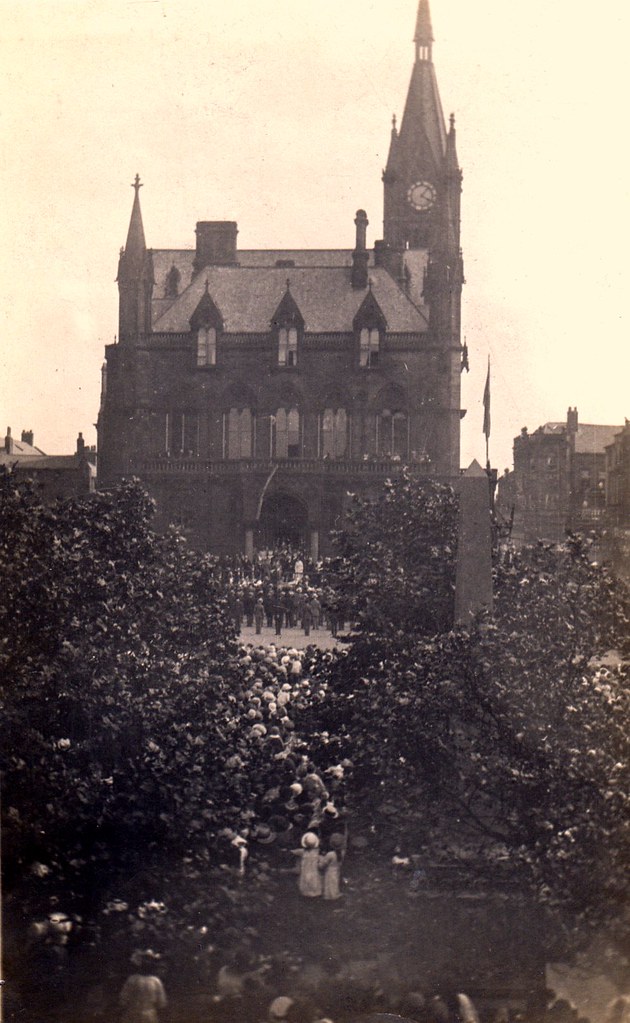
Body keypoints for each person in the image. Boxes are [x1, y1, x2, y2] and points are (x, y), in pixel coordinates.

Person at [292, 831, 323, 897]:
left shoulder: (302, 852)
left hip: (305, 871)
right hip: (314, 872)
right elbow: (322, 859)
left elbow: (293, 852)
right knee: (315, 882)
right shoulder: (317, 853)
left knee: (305, 882)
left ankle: (306, 895)